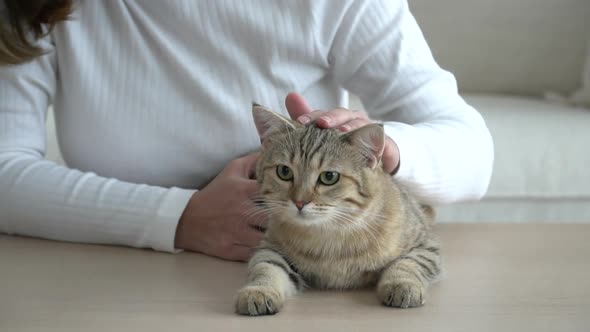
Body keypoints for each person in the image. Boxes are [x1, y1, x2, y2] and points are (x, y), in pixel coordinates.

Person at [0, 0, 493, 261]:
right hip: (111, 278)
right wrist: (179, 218)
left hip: (309, 284)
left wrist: (380, 150)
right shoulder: (37, 8)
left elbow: (472, 153)